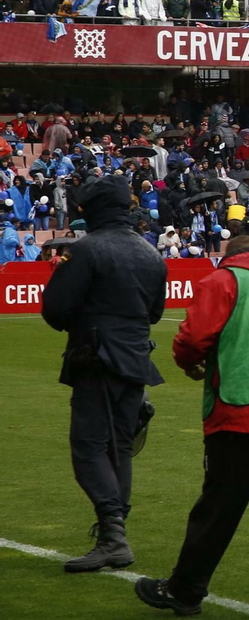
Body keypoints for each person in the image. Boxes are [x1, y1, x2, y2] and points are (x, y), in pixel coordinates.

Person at [135, 234, 249, 619]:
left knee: (217, 509)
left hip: (240, 410)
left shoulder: (223, 281)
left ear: (230, 257)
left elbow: (192, 338)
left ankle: (185, 591)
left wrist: (190, 363)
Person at [41, 175, 168, 573]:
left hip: (96, 357)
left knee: (89, 446)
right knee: (119, 448)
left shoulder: (87, 250)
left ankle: (113, 535)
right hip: (135, 357)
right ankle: (116, 531)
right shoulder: (151, 255)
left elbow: (55, 309)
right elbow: (155, 314)